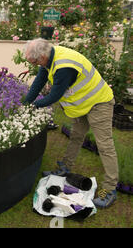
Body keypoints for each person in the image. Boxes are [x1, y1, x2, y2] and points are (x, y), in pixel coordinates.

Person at [23, 38, 118, 209]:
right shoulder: (48, 59)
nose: (35, 64)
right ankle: (65, 168)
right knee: (76, 136)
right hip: (82, 104)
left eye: (36, 61)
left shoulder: (63, 66)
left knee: (105, 146)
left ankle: (110, 189)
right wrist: (25, 103)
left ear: (43, 55)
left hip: (99, 103)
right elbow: (39, 81)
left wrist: (34, 105)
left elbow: (54, 96)